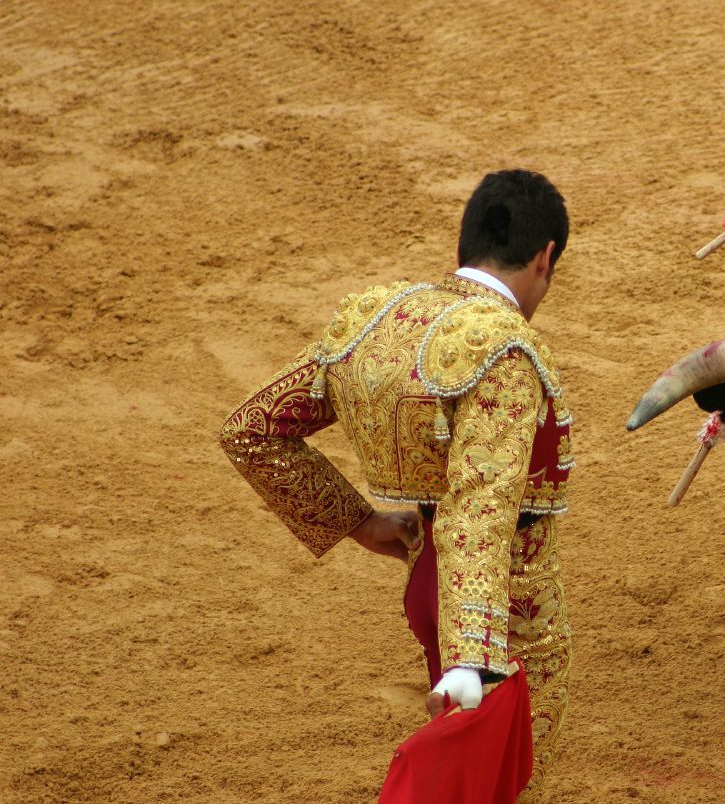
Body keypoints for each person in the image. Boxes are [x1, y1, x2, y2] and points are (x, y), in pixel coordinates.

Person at [219, 170, 574, 801]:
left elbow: (252, 431)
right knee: (503, 781)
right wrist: (475, 656)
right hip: (502, 607)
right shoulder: (506, 350)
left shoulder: (376, 318)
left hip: (429, 581)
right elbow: (479, 510)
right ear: (545, 257)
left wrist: (360, 521)